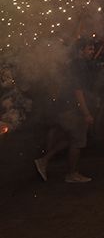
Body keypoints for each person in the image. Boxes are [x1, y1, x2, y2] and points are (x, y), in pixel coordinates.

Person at [34, 39, 97, 183]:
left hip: (65, 108)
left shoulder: (74, 64)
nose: (92, 52)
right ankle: (72, 174)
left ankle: (43, 161)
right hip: (72, 110)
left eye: (93, 49)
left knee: (68, 139)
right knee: (77, 142)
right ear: (81, 51)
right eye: (89, 49)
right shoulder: (79, 66)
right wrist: (86, 113)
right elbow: (78, 91)